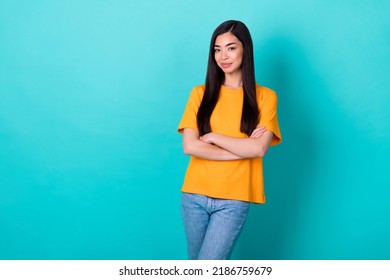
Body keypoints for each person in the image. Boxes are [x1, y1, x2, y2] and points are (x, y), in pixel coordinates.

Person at [177, 20, 282, 260]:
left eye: (231, 48)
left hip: (234, 200)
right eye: (217, 49)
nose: (223, 55)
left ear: (245, 49)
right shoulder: (200, 94)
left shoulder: (265, 97)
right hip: (193, 196)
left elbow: (258, 148)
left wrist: (213, 137)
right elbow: (190, 146)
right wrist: (241, 150)